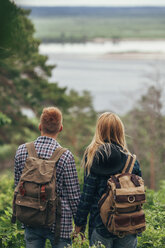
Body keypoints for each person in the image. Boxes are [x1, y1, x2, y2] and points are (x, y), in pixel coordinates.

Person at [14, 106, 80, 248]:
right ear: (60, 128)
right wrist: (79, 225)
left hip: (31, 217)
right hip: (60, 223)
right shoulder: (65, 156)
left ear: (40, 126)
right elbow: (73, 196)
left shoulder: (22, 151)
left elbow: (17, 186)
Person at [75, 112, 141, 248]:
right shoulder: (132, 161)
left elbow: (87, 195)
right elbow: (139, 195)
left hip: (100, 226)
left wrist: (79, 224)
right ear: (120, 131)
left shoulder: (93, 157)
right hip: (128, 225)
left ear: (99, 130)